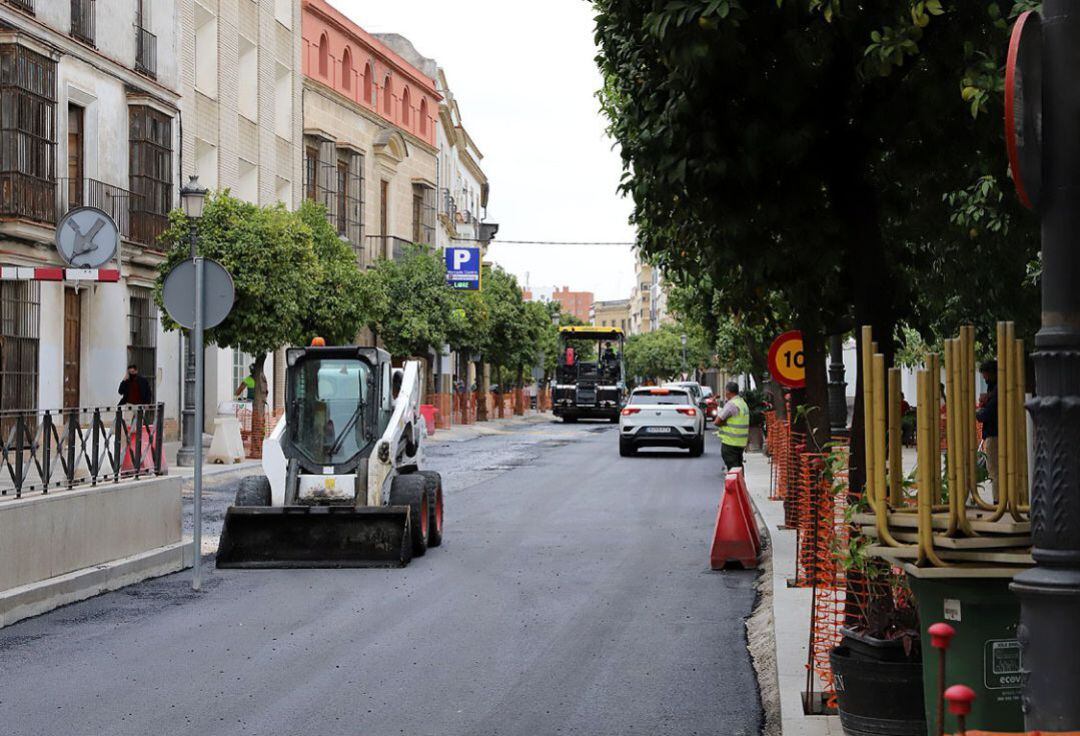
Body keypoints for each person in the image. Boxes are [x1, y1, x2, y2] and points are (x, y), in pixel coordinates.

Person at [975, 360, 999, 502]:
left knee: (994, 469)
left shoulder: (997, 390)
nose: (984, 378)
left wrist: (978, 412)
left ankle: (998, 501)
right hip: (995, 432)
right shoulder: (994, 388)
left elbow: (988, 413)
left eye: (985, 374)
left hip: (994, 433)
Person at [716, 381, 750, 470]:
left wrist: (725, 423)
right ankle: (741, 483)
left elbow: (717, 421)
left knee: (733, 470)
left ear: (728, 392)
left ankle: (736, 484)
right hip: (741, 443)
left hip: (730, 443)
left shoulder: (731, 404)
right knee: (738, 468)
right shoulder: (743, 404)